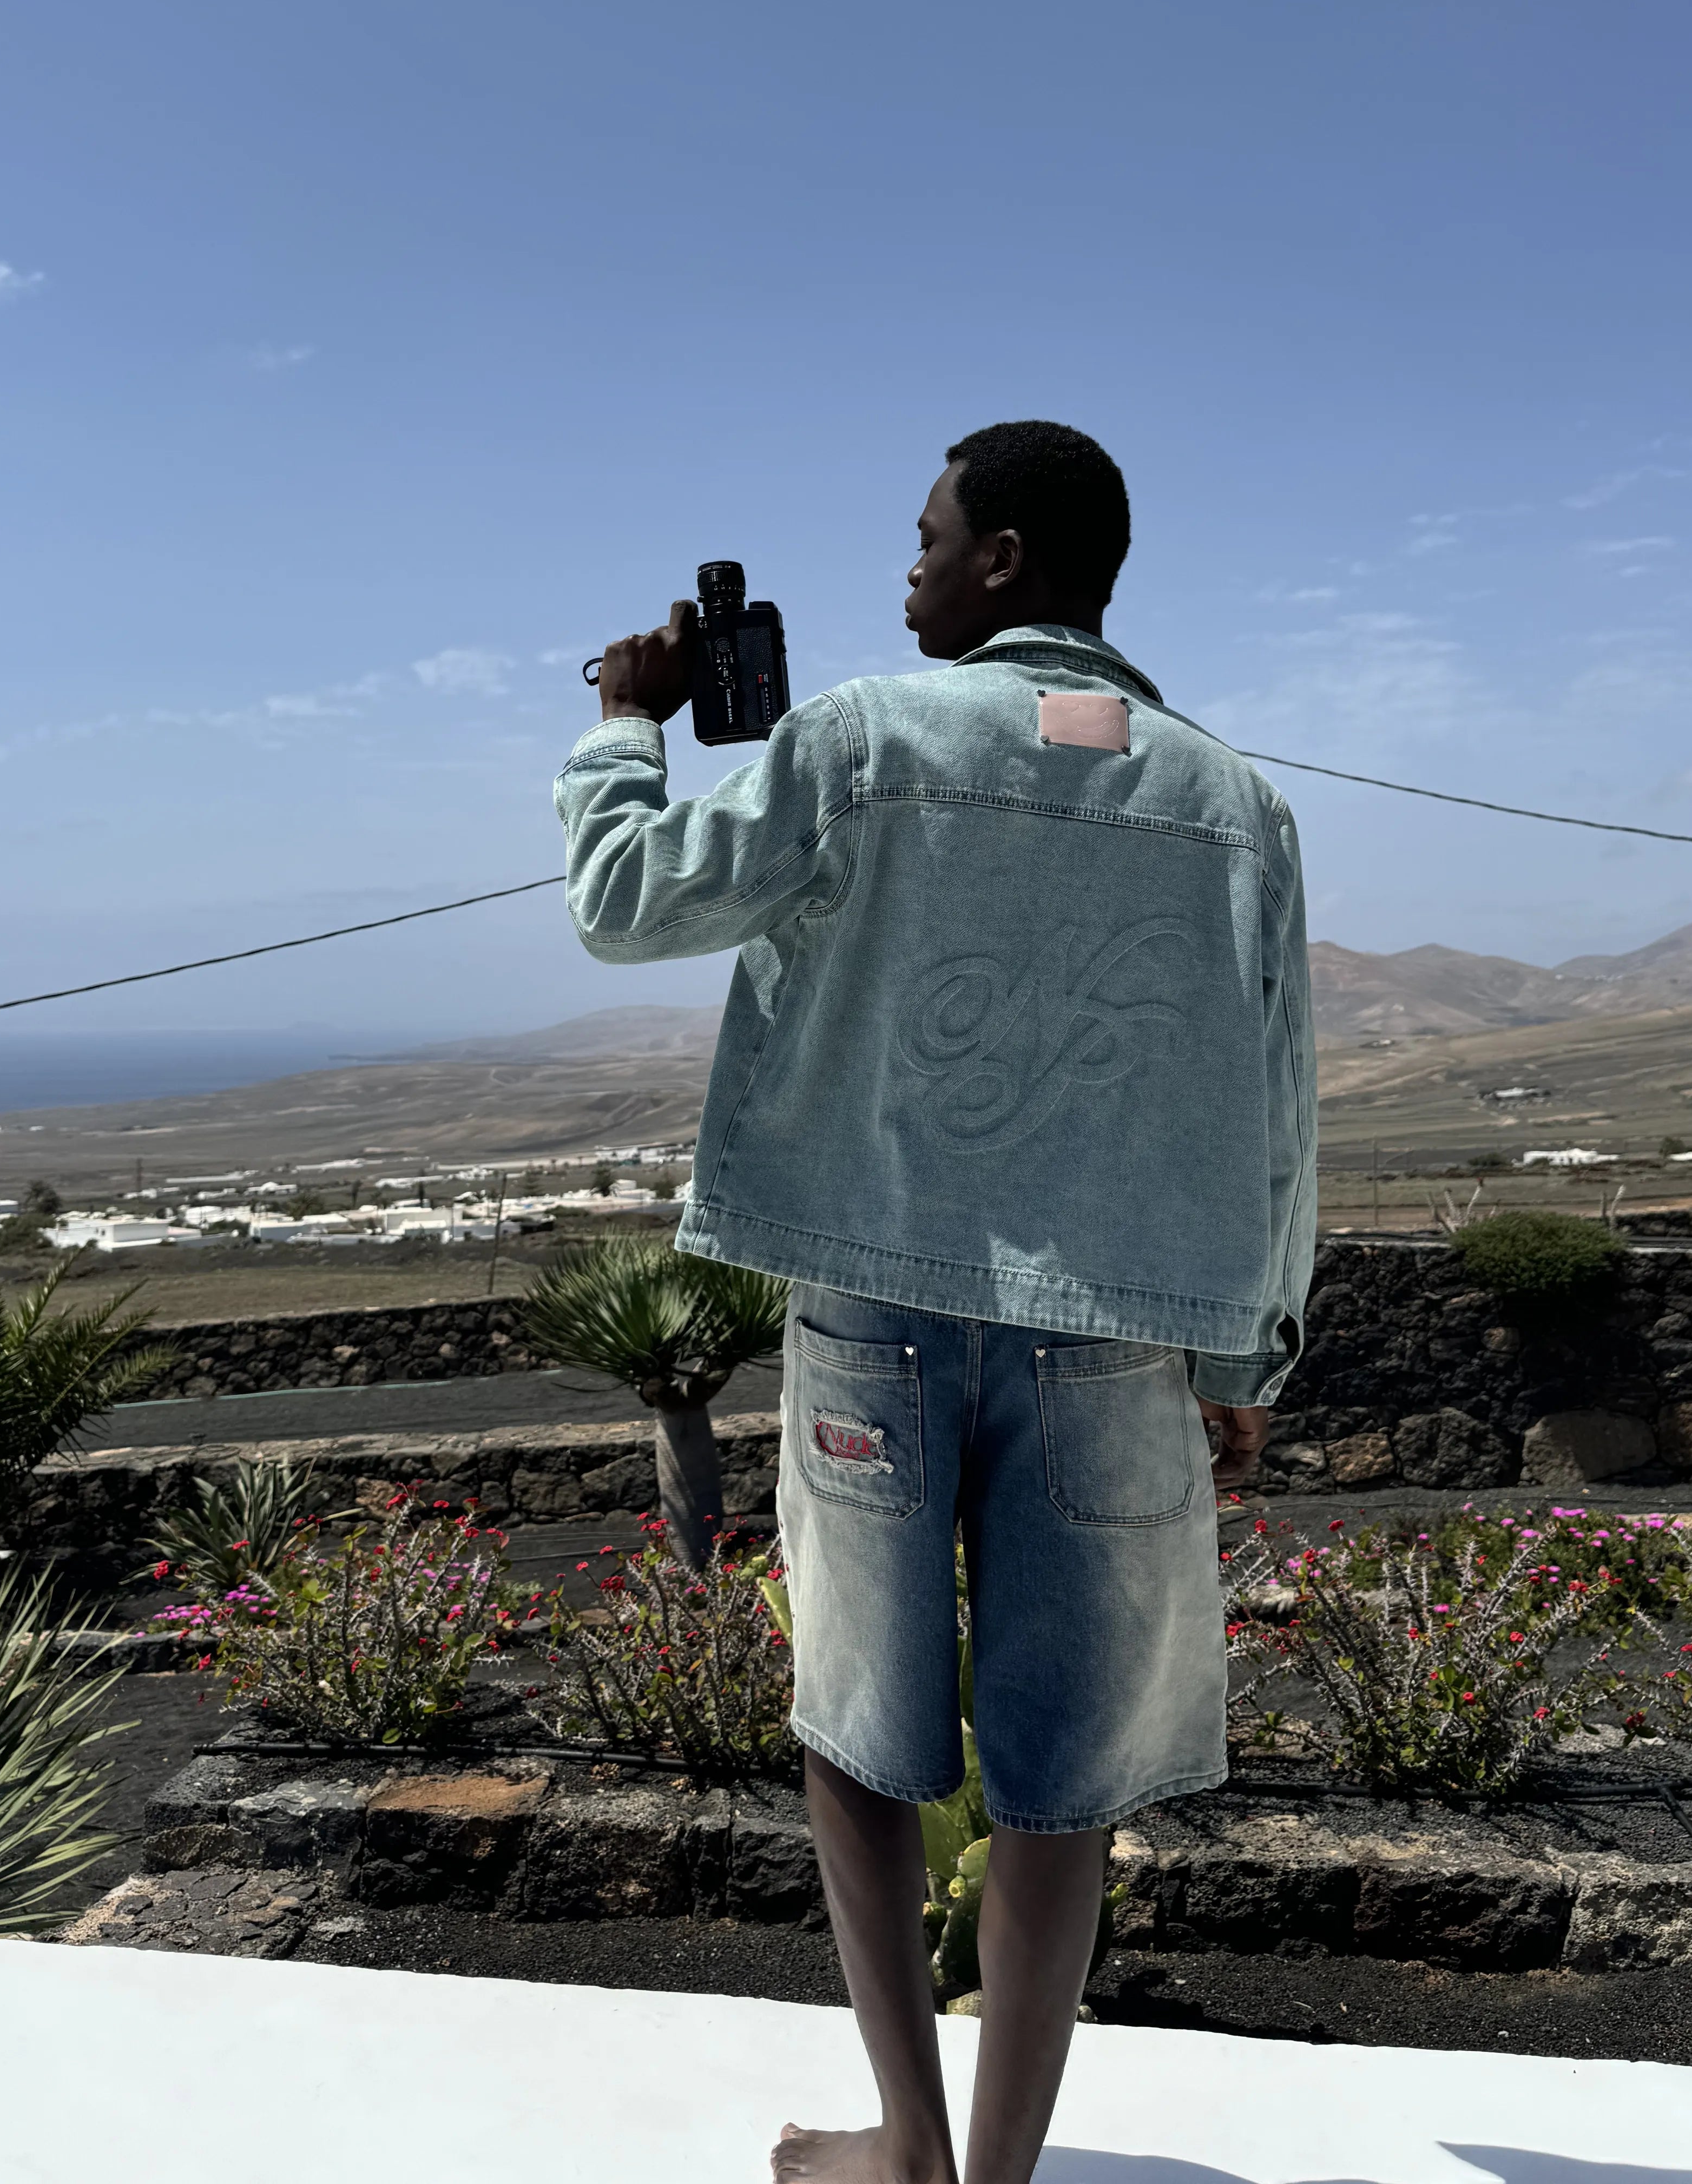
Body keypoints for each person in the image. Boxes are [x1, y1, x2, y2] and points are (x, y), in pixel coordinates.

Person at [559, 420, 1316, 2184]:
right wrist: (1245, 1355)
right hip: (1116, 1340)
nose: (906, 572)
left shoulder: (862, 744)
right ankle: (998, 2178)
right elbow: (1276, 1106)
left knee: (861, 1730)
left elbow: (624, 904)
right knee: (1068, 1778)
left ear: (1006, 558)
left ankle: (905, 2145)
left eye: (927, 539)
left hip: (876, 1317)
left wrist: (624, 724)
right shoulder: (1236, 804)